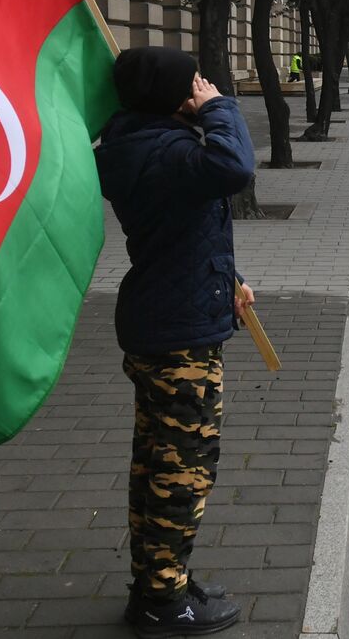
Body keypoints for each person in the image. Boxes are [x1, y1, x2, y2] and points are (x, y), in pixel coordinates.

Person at [95, 47, 256, 637]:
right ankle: (164, 603)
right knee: (184, 468)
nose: (202, 84)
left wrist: (227, 279)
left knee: (157, 463)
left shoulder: (144, 144)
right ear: (169, 95)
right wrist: (220, 108)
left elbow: (181, 233)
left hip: (168, 314)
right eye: (191, 80)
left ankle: (159, 582)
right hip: (178, 336)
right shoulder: (169, 151)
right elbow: (236, 168)